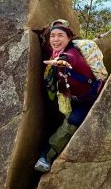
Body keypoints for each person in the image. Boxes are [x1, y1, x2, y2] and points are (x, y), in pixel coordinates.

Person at [34, 19, 99, 173]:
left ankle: (46, 157)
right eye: (53, 36)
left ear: (69, 38)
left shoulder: (72, 53)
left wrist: (62, 61)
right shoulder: (55, 52)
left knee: (72, 123)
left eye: (60, 35)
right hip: (71, 99)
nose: (55, 39)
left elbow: (70, 58)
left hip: (88, 99)